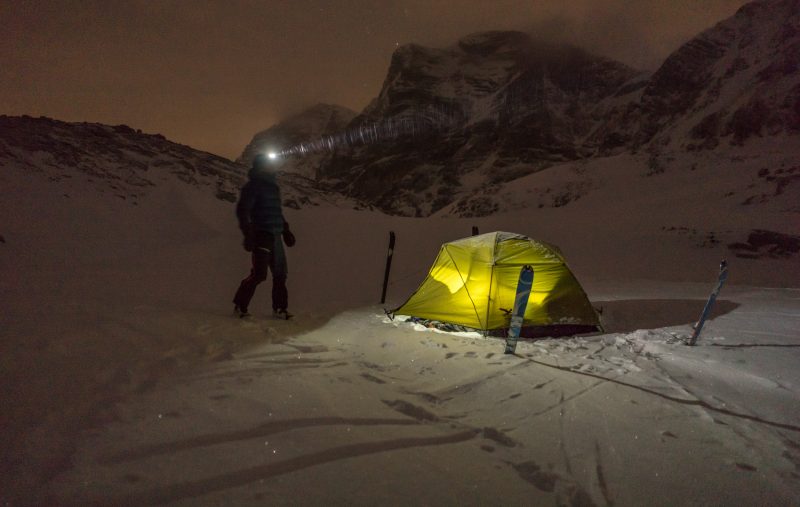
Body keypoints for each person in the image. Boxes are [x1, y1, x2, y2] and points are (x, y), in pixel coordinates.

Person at [233, 153, 296, 319]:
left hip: (276, 236)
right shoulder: (252, 186)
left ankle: (280, 309)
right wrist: (248, 234)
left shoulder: (273, 187)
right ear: (261, 166)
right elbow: (242, 211)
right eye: (269, 164)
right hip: (261, 235)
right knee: (259, 274)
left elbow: (276, 212)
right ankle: (240, 305)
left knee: (280, 274)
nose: (273, 166)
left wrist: (286, 230)